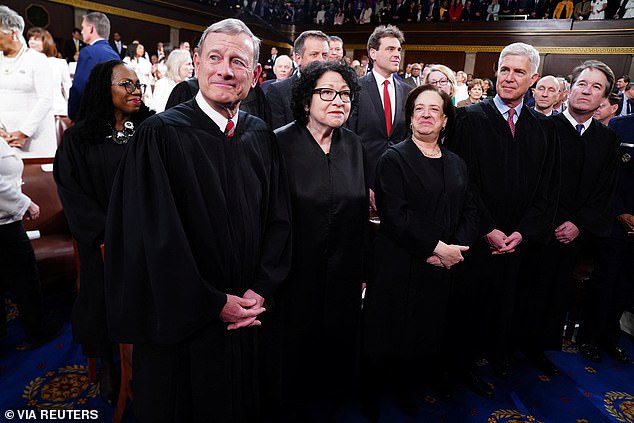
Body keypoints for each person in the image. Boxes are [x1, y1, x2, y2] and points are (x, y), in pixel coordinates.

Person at [104, 19, 291, 422]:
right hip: (187, 323)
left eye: (238, 62)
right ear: (196, 63)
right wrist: (211, 303)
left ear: (256, 75)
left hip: (250, 311)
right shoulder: (159, 136)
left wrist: (261, 287)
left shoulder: (261, 136)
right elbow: (153, 239)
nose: (225, 69)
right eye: (215, 58)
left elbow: (280, 219)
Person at [362, 85, 478, 419]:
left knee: (422, 331)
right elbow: (396, 215)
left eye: (434, 110)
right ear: (410, 118)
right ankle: (371, 393)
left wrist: (456, 249)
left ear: (444, 120)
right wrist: (436, 247)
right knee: (387, 331)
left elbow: (470, 210)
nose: (426, 115)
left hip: (442, 265)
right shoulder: (393, 158)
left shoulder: (457, 162)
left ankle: (407, 387)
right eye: (419, 110)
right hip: (399, 261)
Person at [445, 42, 560, 380]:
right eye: (504, 70)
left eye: (519, 72)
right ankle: (460, 368)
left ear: (533, 78)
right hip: (478, 237)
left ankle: (499, 357)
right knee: (467, 309)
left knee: (510, 305)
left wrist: (523, 232)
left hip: (519, 241)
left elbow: (547, 187)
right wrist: (488, 229)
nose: (509, 78)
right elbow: (461, 181)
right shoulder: (467, 119)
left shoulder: (544, 127)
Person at [265, 60, 366, 420]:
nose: (338, 100)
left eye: (345, 94)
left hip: (343, 277)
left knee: (334, 365)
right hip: (292, 280)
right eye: (327, 93)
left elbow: (359, 216)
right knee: (292, 370)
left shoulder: (354, 146)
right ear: (306, 101)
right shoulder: (277, 143)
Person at [54, 60, 153, 405]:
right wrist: (107, 233)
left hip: (150, 237)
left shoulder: (150, 129)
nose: (135, 91)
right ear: (102, 89)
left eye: (138, 84)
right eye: (126, 84)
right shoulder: (79, 138)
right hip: (101, 241)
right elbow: (71, 192)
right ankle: (109, 361)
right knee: (101, 295)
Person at [0, 127, 62, 350]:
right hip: (5, 222)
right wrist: (25, 203)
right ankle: (37, 331)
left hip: (5, 219)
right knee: (24, 277)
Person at [347, 25, 410, 208]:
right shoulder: (355, 89)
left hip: (398, 183)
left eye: (398, 49)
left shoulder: (408, 92)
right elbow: (349, 140)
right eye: (390, 49)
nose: (397, 54)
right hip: (362, 184)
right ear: (373, 53)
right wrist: (362, 184)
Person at [0, 6, 56, 158]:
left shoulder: (37, 59)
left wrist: (24, 132)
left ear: (13, 33)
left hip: (35, 140)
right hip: (4, 141)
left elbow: (46, 100)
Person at [266, 30, 329, 130]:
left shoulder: (335, 90)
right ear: (297, 58)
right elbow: (278, 136)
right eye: (314, 54)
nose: (321, 60)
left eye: (324, 55)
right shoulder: (278, 91)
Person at [67, 12, 119, 121]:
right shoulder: (115, 55)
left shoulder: (88, 52)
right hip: (110, 116)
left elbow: (79, 88)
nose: (81, 32)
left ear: (91, 29)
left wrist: (73, 114)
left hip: (90, 118)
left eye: (83, 27)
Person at [27, 27, 72, 119]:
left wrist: (71, 111)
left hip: (56, 111)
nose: (31, 42)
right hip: (31, 113)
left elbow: (68, 89)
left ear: (46, 42)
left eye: (36, 39)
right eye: (30, 39)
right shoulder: (25, 62)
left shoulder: (59, 63)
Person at [123, 42, 154, 109]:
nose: (142, 50)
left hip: (144, 84)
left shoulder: (144, 61)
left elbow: (149, 72)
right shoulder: (127, 60)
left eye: (143, 48)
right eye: (140, 48)